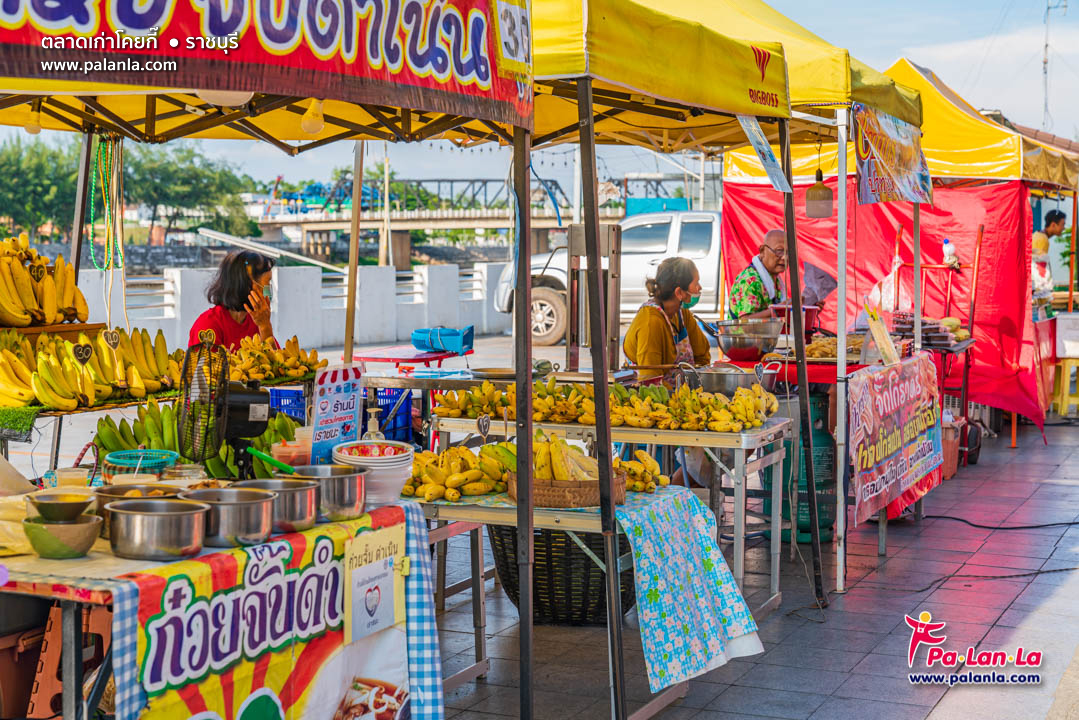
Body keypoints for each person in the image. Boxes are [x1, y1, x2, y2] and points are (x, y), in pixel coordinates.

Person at [623, 257, 711, 385]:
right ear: (679, 292)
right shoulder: (650, 323)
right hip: (651, 397)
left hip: (682, 393)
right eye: (696, 283)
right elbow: (650, 381)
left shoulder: (682, 314)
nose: (699, 288)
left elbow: (702, 356)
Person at [188, 250, 277, 350]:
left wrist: (265, 327)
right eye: (267, 282)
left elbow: (277, 362)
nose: (269, 288)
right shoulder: (208, 325)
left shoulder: (257, 321)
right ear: (245, 285)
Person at [729, 229, 824, 320]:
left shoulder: (774, 279)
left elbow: (779, 317)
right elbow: (745, 323)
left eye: (789, 252)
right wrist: (781, 308)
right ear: (762, 251)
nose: (784, 257)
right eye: (779, 251)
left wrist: (807, 310)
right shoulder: (749, 281)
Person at [1032, 210, 1066, 305]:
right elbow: (1039, 268)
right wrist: (1043, 297)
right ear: (1053, 224)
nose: (1063, 228)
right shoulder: (1042, 239)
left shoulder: (1038, 235)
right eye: (1062, 224)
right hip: (1037, 293)